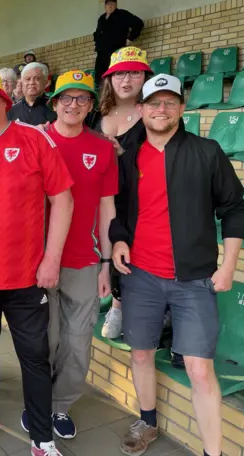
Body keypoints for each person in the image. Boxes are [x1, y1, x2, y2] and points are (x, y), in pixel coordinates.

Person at [110, 74, 244, 456]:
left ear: (183, 109)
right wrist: (119, 238)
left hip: (194, 280)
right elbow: (118, 210)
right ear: (141, 109)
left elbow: (235, 208)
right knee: (140, 353)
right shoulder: (130, 158)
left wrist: (228, 264)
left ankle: (212, 452)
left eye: (170, 102)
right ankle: (147, 421)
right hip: (141, 277)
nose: (161, 109)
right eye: (154, 103)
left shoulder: (207, 151)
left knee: (201, 370)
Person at [0, 70, 74, 456]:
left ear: (5, 100)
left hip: (25, 275)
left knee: (35, 358)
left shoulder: (32, 139)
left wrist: (51, 259)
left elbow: (63, 200)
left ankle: (41, 437)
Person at [19, 71, 117, 439]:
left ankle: (59, 407)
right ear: (54, 103)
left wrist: (106, 263)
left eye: (82, 99)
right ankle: (38, 403)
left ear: (91, 106)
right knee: (45, 339)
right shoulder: (35, 140)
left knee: (77, 342)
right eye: (66, 98)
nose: (73, 105)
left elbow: (107, 209)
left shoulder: (104, 148)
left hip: (85, 262)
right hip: (37, 260)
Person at [85, 47, 152, 340]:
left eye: (134, 73)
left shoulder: (154, 112)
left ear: (144, 77)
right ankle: (113, 299)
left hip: (139, 198)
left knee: (133, 252)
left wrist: (123, 154)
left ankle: (122, 306)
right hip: (103, 198)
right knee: (106, 247)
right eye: (120, 73)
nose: (127, 80)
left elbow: (163, 159)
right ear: (110, 79)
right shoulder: (96, 115)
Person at [93, 0, 144, 86]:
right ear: (105, 6)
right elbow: (97, 34)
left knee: (115, 77)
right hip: (101, 55)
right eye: (108, 4)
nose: (110, 6)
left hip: (116, 52)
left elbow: (139, 23)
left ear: (116, 5)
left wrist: (130, 38)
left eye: (113, 4)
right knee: (100, 80)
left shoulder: (122, 14)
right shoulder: (101, 19)